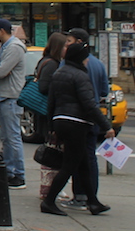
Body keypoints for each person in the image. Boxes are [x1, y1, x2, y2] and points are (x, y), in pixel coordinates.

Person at [40, 43, 114, 216]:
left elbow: (51, 101)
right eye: (85, 56)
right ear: (80, 58)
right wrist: (106, 126)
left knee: (83, 165)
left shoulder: (59, 73)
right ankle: (49, 201)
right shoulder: (80, 76)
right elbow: (89, 105)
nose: (87, 60)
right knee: (70, 165)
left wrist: (52, 126)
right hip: (76, 123)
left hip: (61, 120)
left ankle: (93, 202)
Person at [64, 28, 110, 210]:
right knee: (90, 157)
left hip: (75, 118)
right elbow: (105, 91)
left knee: (74, 158)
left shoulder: (69, 65)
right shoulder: (99, 65)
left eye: (69, 41)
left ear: (79, 42)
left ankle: (80, 196)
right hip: (93, 118)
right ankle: (91, 196)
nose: (66, 44)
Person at [0, 18, 27, 190]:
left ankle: (18, 174)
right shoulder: (5, 47)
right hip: (5, 95)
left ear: (1, 31)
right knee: (6, 137)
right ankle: (9, 171)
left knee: (12, 137)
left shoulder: (14, 48)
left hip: (11, 96)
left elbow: (2, 71)